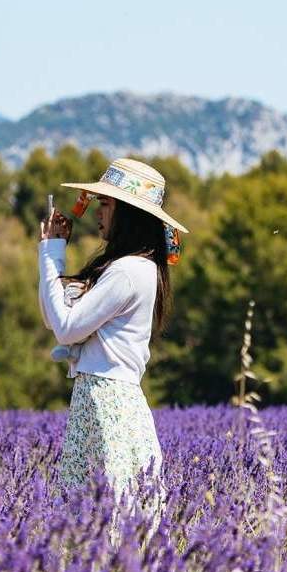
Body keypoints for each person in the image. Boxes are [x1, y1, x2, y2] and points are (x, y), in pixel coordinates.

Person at [37, 157, 189, 543]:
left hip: (107, 400)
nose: (99, 213)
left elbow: (66, 328)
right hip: (100, 396)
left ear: (129, 214)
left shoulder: (128, 272)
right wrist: (51, 252)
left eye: (106, 205)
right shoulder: (129, 268)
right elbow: (52, 316)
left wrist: (52, 254)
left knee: (108, 517)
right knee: (96, 517)